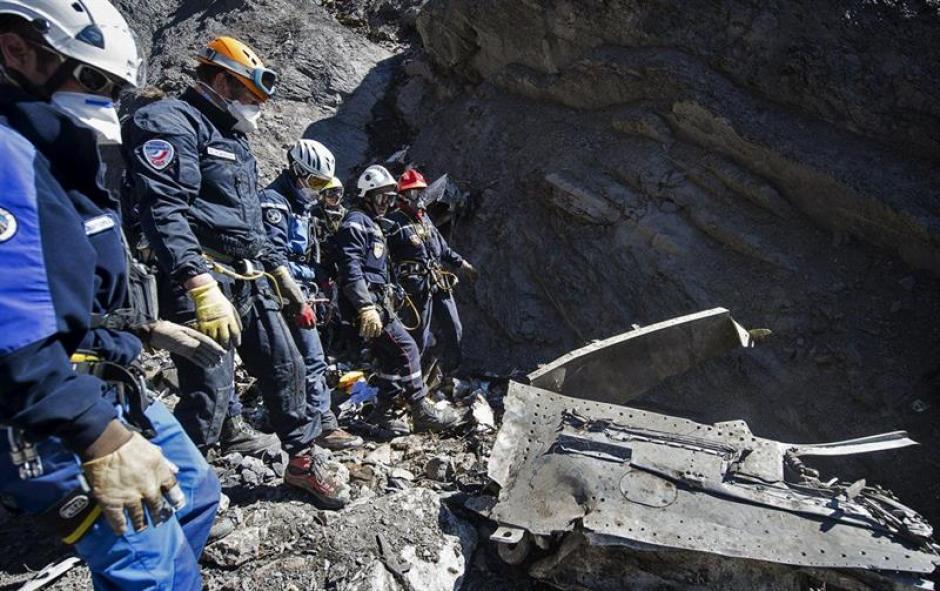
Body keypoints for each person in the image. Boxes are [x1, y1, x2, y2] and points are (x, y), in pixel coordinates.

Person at [0, 1, 221, 587]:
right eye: (94, 79)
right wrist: (97, 437)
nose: (105, 99)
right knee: (144, 558)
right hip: (41, 406)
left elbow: (57, 284)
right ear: (17, 51)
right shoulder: (5, 155)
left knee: (195, 492)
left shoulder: (55, 155)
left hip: (99, 377)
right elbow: (11, 335)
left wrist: (138, 327)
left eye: (116, 87)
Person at [124, 36, 349, 508]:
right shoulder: (169, 122)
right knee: (210, 388)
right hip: (203, 276)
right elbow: (164, 209)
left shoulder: (234, 139)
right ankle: (187, 493)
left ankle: (303, 462)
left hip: (250, 277)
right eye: (252, 95)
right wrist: (197, 281)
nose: (257, 108)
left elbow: (247, 224)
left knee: (285, 366)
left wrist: (281, 276)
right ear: (222, 80)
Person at [335, 164, 465, 436]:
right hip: (371, 304)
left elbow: (385, 266)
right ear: (366, 195)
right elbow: (351, 269)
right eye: (382, 198)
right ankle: (419, 408)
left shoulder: (378, 224)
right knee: (408, 347)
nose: (386, 204)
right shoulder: (359, 223)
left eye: (390, 199)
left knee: (392, 356)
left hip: (384, 300)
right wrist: (366, 306)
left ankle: (384, 411)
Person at [259, 139, 362, 451]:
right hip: (284, 295)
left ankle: (291, 417)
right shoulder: (274, 203)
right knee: (312, 360)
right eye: (315, 182)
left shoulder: (300, 206)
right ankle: (323, 426)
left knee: (298, 360)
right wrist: (304, 288)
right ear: (297, 170)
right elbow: (273, 260)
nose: (319, 189)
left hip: (301, 291)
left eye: (323, 183)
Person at [386, 169, 477, 374]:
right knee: (419, 335)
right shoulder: (393, 224)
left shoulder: (424, 218)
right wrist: (391, 288)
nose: (418, 197)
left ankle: (450, 371)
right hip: (415, 288)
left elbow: (442, 249)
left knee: (455, 327)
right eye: (412, 192)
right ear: (402, 196)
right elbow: (383, 260)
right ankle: (412, 378)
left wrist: (463, 264)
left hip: (438, 281)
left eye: (421, 191)